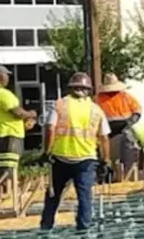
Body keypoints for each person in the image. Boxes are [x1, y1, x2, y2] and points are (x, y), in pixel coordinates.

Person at [40, 73, 109, 230]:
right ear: (88, 90)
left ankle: (46, 227)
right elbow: (104, 138)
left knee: (53, 195)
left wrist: (46, 152)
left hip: (60, 157)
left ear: (70, 88)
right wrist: (105, 160)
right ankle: (84, 230)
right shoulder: (96, 110)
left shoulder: (59, 105)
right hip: (86, 159)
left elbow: (50, 129)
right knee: (84, 196)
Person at [0, 65, 35, 191]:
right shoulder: (0, 93)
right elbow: (18, 113)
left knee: (1, 166)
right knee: (8, 167)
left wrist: (23, 123)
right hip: (8, 134)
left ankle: (2, 192)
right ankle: (8, 194)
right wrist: (31, 114)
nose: (8, 78)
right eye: (6, 75)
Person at [95, 74, 143, 180]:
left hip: (124, 126)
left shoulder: (125, 96)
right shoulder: (98, 98)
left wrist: (130, 122)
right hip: (106, 128)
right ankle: (104, 172)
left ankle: (128, 172)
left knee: (130, 145)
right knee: (100, 150)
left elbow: (137, 111)